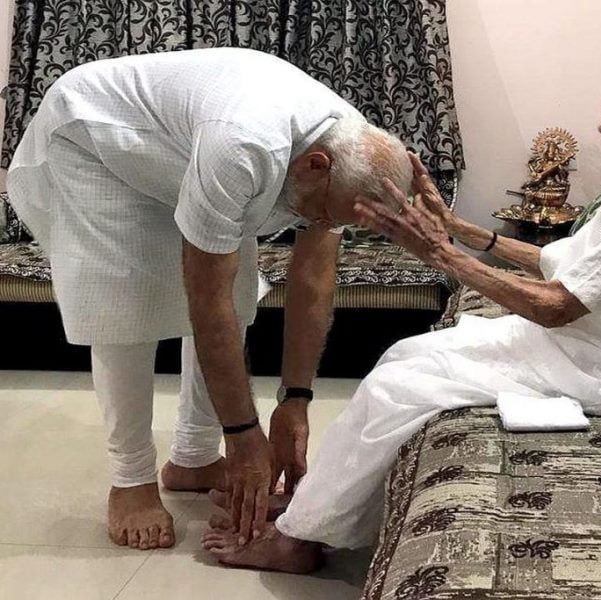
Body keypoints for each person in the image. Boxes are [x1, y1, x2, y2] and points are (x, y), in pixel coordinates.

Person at [201, 61, 601, 573]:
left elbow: (558, 306)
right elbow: (559, 259)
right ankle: (316, 513)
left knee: (401, 383)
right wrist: (459, 230)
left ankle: (299, 541)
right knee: (405, 357)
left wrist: (441, 255)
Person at [6, 47, 412, 550]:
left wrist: (296, 401)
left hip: (184, 147)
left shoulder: (348, 145)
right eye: (324, 214)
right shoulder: (243, 146)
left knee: (241, 300)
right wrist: (244, 436)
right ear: (314, 165)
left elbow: (312, 279)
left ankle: (194, 457)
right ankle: (130, 478)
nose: (323, 225)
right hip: (97, 140)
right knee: (125, 308)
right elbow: (206, 299)